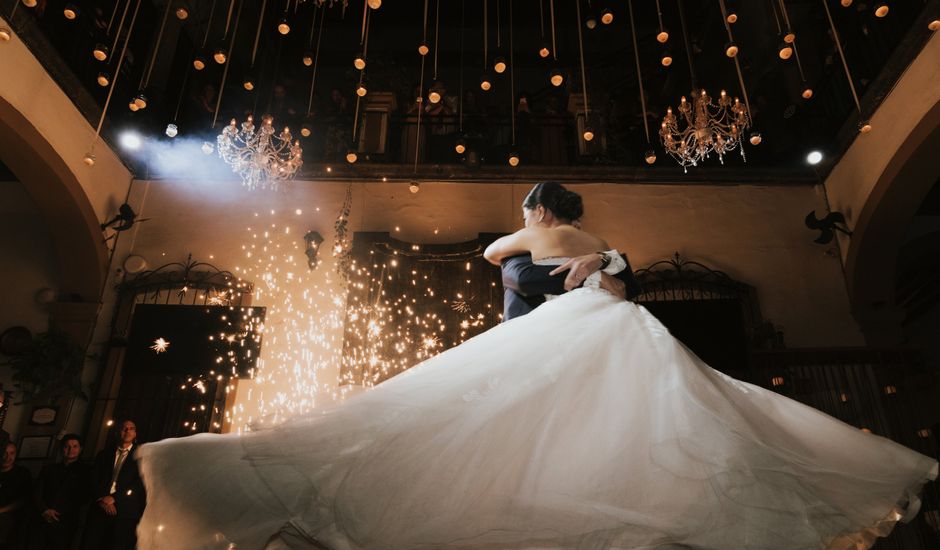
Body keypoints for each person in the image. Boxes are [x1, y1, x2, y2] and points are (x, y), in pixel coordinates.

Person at [136, 182, 938, 549]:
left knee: (476, 405)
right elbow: (623, 294)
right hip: (612, 324)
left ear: (538, 209)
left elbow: (490, 251)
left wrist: (527, 242)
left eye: (529, 208)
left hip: (558, 328)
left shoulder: (533, 233)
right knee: (640, 415)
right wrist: (597, 266)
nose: (526, 219)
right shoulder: (596, 247)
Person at [82, 421, 144, 550]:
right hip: (99, 508)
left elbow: (139, 483)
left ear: (135, 433)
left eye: (131, 429)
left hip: (125, 511)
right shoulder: (104, 454)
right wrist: (102, 498)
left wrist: (114, 498)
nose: (127, 431)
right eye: (124, 428)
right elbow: (92, 478)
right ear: (117, 432)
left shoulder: (141, 456)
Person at [34, 434, 92, 550]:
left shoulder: (87, 471)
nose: (71, 450)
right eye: (67, 446)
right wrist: (45, 510)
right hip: (42, 518)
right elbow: (36, 493)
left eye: (75, 446)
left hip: (67, 521)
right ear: (62, 449)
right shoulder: (48, 469)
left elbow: (84, 497)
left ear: (80, 449)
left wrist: (60, 512)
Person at [0, 442, 31, 550]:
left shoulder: (22, 473)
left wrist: (2, 510)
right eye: (5, 453)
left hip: (11, 519)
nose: (8, 457)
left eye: (12, 453)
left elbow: (24, 499)